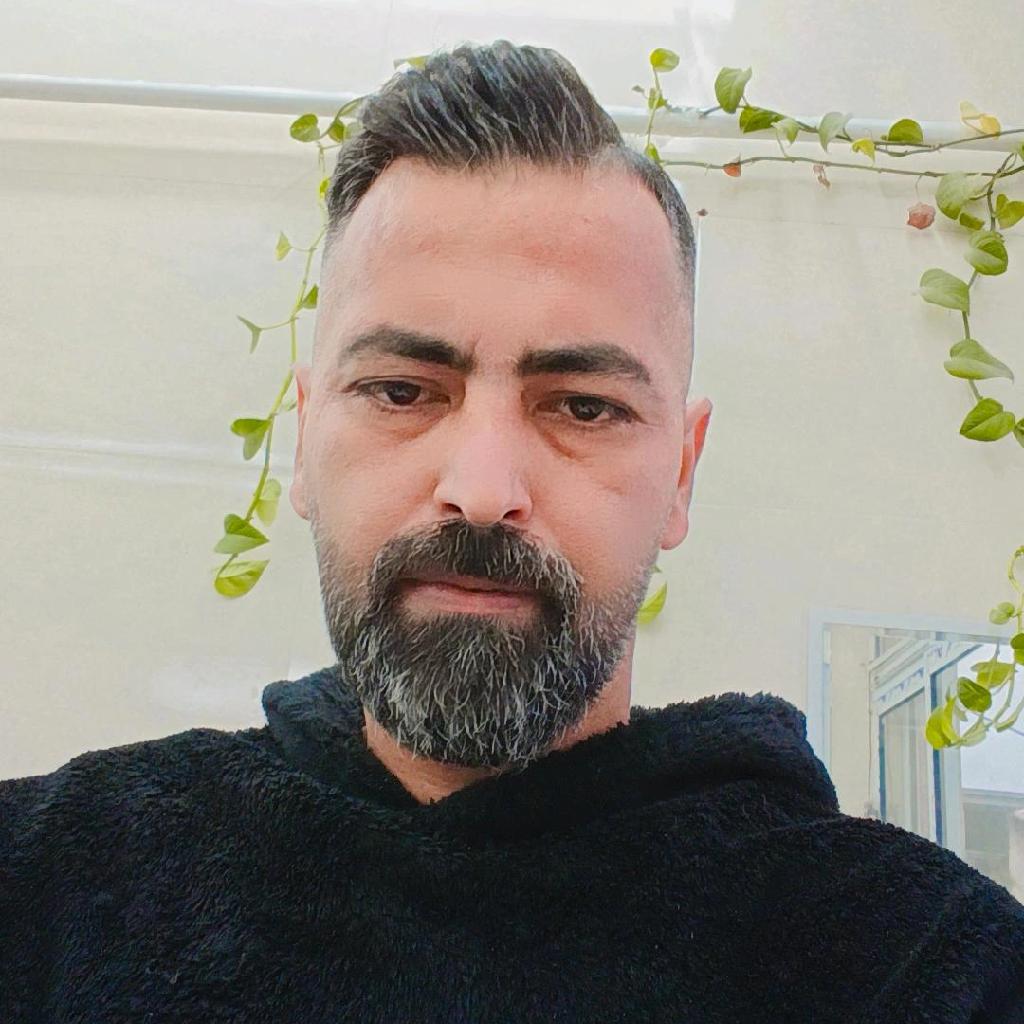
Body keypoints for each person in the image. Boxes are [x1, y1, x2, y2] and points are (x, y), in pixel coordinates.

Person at [2, 39, 1022, 1024]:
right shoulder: (47, 886)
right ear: (305, 440)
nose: (483, 491)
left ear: (680, 473)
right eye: (402, 390)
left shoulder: (926, 967)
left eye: (582, 406)